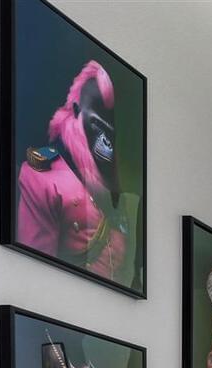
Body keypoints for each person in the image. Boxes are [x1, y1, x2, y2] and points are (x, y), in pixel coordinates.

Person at [16, 60, 130, 280]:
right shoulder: (43, 175)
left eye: (109, 132)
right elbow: (35, 273)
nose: (105, 142)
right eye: (97, 125)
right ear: (77, 111)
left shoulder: (112, 184)